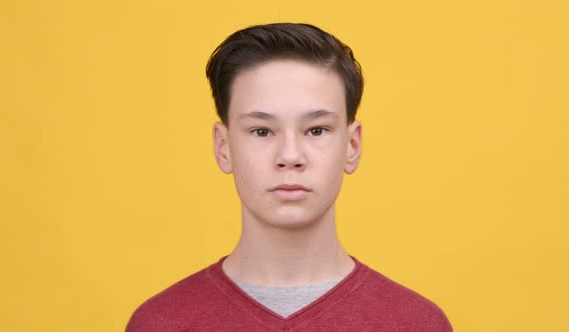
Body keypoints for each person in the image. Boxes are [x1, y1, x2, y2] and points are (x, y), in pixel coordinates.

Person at [126, 23, 452, 331]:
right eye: (262, 131)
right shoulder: (160, 322)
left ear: (352, 146)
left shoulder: (417, 322)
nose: (290, 156)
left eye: (316, 130)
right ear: (223, 147)